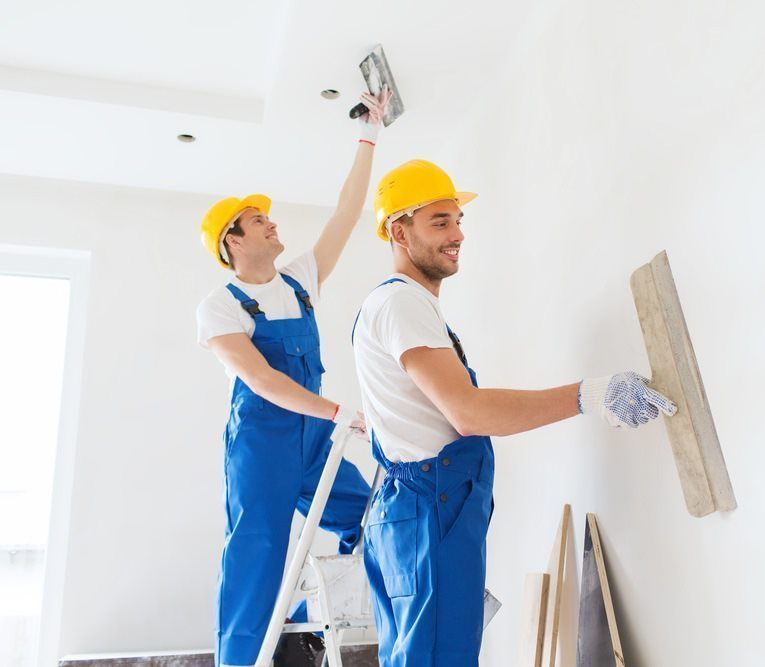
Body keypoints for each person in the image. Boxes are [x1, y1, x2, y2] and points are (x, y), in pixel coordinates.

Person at [351, 159, 677, 665]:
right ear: (398, 230)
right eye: (440, 222)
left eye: (458, 221)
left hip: (415, 511)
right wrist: (590, 394)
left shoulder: (401, 307)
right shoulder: (401, 305)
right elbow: (468, 413)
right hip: (427, 512)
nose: (457, 234)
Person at [196, 89, 391, 667]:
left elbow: (347, 213)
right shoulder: (220, 306)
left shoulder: (300, 280)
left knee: (374, 514)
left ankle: (340, 627)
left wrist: (369, 135)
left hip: (310, 443)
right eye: (258, 220)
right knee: (256, 561)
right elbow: (258, 379)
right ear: (233, 240)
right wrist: (335, 412)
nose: (271, 222)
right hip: (261, 446)